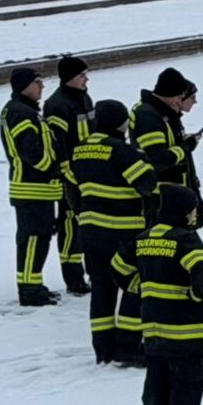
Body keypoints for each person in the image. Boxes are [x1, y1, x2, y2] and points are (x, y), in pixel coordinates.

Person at [61, 99, 157, 365]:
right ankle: (127, 344)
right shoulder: (123, 152)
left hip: (91, 232)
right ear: (120, 124)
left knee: (101, 289)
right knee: (135, 284)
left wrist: (83, 215)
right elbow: (148, 184)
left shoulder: (79, 151)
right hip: (124, 232)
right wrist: (145, 160)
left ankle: (103, 348)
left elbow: (71, 188)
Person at [133, 182, 203, 405]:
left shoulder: (144, 238)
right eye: (192, 210)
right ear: (182, 212)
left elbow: (119, 267)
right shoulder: (185, 240)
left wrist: (146, 291)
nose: (194, 215)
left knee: (156, 386)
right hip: (187, 332)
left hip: (154, 330)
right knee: (186, 387)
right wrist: (193, 296)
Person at [0, 65, 62, 307]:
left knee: (40, 239)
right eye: (37, 82)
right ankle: (29, 290)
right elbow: (31, 152)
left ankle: (34, 285)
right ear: (25, 86)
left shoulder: (25, 110)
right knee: (33, 240)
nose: (42, 86)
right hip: (31, 188)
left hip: (39, 189)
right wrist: (52, 168)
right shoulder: (20, 113)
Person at [42, 55, 94, 296]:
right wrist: (69, 175)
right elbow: (59, 145)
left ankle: (87, 273)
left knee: (86, 224)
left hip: (90, 171)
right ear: (69, 78)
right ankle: (74, 278)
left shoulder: (84, 98)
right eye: (82, 75)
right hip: (71, 176)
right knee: (70, 225)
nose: (86, 79)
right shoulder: (57, 105)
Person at [132, 67, 203, 197]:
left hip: (175, 189)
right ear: (170, 95)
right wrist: (186, 146)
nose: (180, 101)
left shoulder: (165, 112)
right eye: (180, 97)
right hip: (162, 194)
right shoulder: (148, 116)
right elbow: (158, 159)